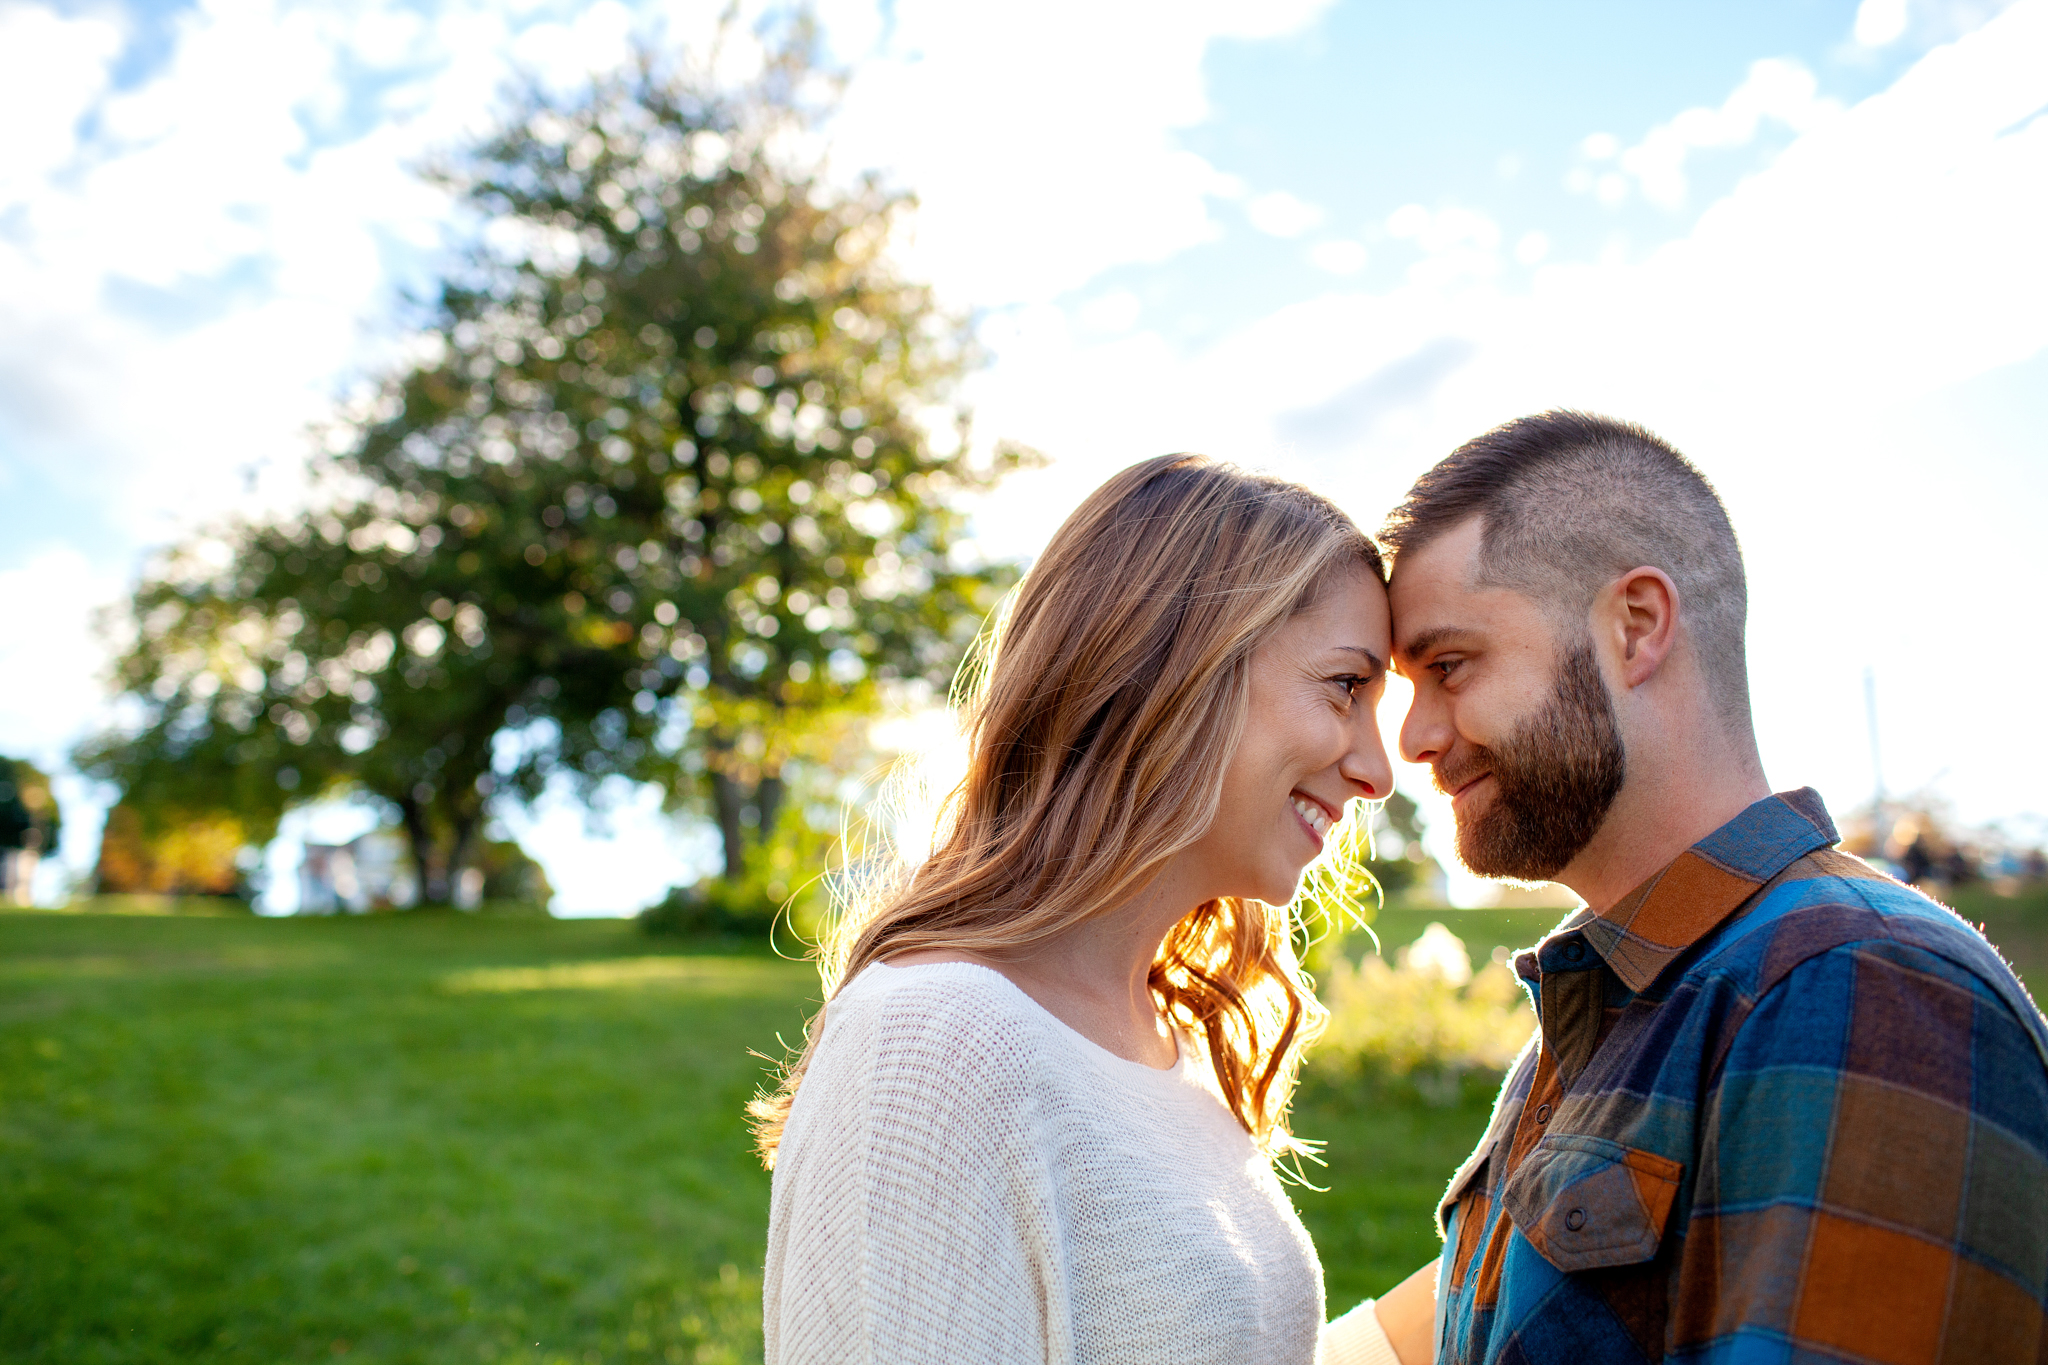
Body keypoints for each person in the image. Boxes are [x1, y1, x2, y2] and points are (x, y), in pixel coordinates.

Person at [1368, 410, 2048, 1363]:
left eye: (1448, 666)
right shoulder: (1619, 1008)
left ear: (1636, 626)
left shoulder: (1860, 986)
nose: (1415, 737)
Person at [753, 454, 1411, 1364]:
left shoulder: (1166, 1039)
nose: (1379, 769)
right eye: (1347, 687)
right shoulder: (932, 1043)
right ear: (1178, 669)